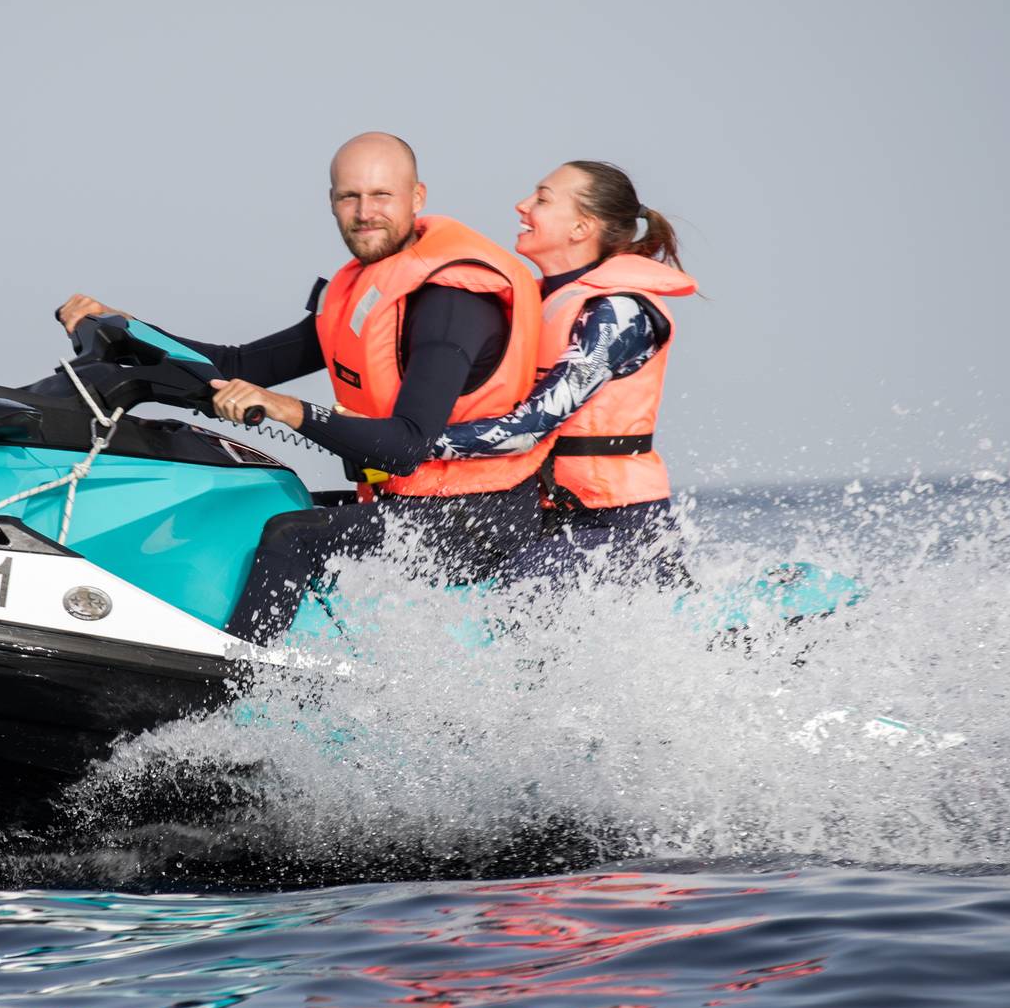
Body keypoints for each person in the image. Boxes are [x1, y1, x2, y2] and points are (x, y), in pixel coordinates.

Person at [57, 132, 547, 643]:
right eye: (348, 196)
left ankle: (238, 693)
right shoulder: (361, 291)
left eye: (382, 195)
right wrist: (131, 327)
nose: (364, 212)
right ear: (332, 203)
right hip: (411, 503)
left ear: (417, 198)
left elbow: (407, 446)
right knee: (254, 500)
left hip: (481, 522)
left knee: (292, 535)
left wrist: (289, 409)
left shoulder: (452, 305)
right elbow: (240, 364)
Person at [421, 161, 699, 586]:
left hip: (620, 527)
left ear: (580, 229)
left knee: (525, 578)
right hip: (536, 512)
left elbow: (532, 426)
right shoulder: (534, 303)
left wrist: (410, 444)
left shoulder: (617, 313)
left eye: (542, 199)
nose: (522, 205)